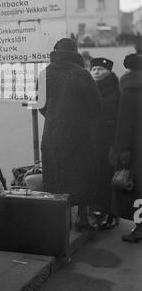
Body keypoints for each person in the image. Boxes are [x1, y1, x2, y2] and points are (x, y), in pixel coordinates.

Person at [40, 38, 101, 231]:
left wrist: (53, 115)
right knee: (81, 173)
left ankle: (60, 223)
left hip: (52, 133)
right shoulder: (81, 74)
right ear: (75, 52)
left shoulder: (44, 74)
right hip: (79, 133)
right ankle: (82, 218)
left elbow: (40, 105)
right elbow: (95, 107)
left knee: (56, 175)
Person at [110, 52, 142, 242]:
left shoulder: (130, 91)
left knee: (139, 192)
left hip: (138, 150)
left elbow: (124, 125)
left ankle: (139, 228)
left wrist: (121, 151)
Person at [90, 57, 120, 229]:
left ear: (108, 71)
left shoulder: (116, 91)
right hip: (92, 141)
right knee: (95, 176)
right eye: (93, 69)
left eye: (100, 69)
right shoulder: (89, 89)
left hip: (109, 143)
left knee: (109, 178)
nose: (96, 72)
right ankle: (98, 209)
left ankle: (111, 213)